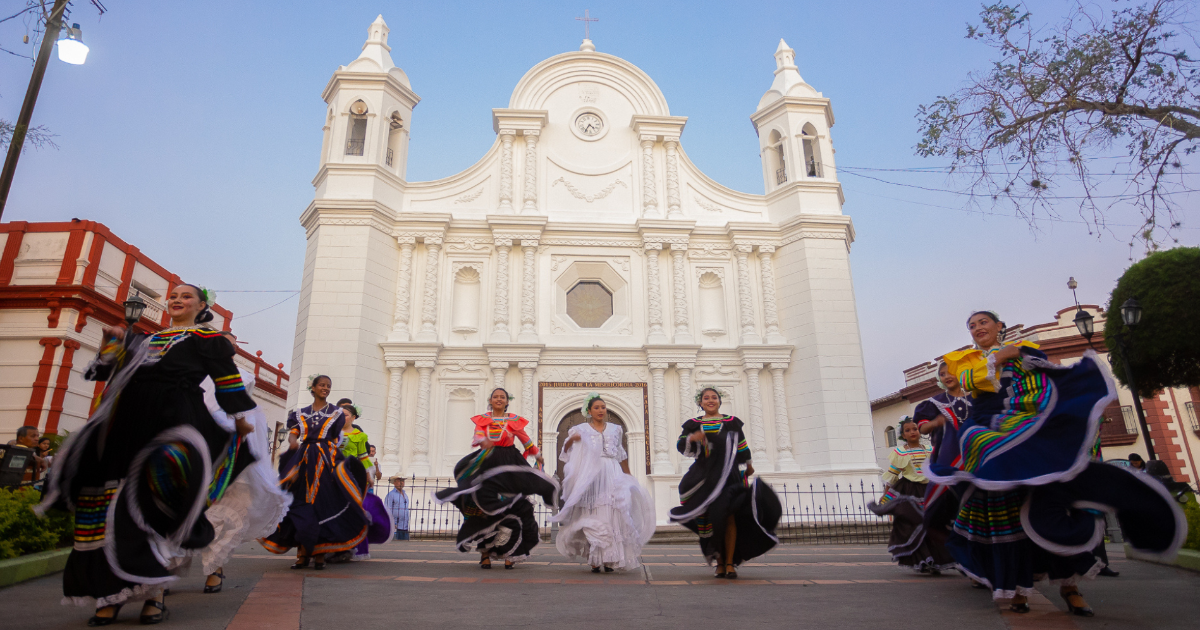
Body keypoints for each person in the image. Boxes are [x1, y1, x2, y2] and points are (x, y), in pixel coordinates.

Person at [927, 311, 1186, 616]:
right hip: (989, 420)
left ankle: (1070, 587)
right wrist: (1002, 357)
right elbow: (974, 380)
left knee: (1052, 498)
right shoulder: (961, 359)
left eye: (983, 322)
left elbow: (1042, 367)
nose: (977, 328)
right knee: (1003, 499)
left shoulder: (1025, 347)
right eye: (971, 326)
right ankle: (1020, 588)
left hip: (1028, 415)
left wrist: (1018, 353)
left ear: (999, 326)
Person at [37, 283, 257, 626]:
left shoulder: (208, 340)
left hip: (173, 422)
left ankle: (154, 595)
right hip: (126, 423)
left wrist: (241, 420)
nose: (177, 300)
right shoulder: (144, 340)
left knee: (154, 505)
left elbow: (227, 381)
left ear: (201, 306)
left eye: (186, 296)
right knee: (110, 503)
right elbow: (106, 371)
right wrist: (111, 341)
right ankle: (109, 595)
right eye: (173, 296)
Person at [193, 331, 291, 594]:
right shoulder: (189, 369)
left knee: (220, 509)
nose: (225, 350)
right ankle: (162, 575)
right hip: (191, 443)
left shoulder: (244, 376)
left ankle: (214, 568)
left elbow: (243, 412)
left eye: (230, 346)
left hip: (227, 448)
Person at [435, 388, 560, 569]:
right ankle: (484, 554)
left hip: (509, 462)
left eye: (502, 397)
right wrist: (482, 441)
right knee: (485, 507)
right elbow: (478, 433)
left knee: (513, 505)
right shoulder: (483, 419)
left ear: (507, 401)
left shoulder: (514, 421)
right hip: (487, 461)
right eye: (496, 397)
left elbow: (526, 441)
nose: (499, 399)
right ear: (490, 400)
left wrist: (537, 455)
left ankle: (511, 552)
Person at [670, 388, 782, 579]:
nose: (710, 400)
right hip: (706, 478)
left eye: (714, 397)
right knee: (715, 518)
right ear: (701, 403)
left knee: (729, 517)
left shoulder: (732, 422)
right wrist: (693, 438)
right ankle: (719, 562)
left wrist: (749, 465)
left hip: (730, 475)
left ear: (720, 401)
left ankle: (729, 563)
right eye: (706, 398)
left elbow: (742, 446)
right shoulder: (693, 424)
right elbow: (683, 447)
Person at [261, 375, 372, 570]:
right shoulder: (300, 413)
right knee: (301, 503)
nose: (326, 388)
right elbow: (294, 431)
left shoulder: (336, 413)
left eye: (328, 386)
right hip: (304, 458)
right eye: (322, 385)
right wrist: (293, 442)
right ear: (313, 387)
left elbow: (335, 437)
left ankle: (319, 554)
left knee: (322, 504)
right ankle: (302, 554)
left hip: (326, 458)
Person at [551, 394, 655, 572]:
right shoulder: (580, 429)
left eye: (603, 407)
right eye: (597, 407)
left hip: (612, 473)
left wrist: (629, 477)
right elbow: (566, 451)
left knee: (613, 514)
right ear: (589, 411)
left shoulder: (616, 429)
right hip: (591, 475)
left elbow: (621, 454)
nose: (601, 410)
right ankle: (595, 557)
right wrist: (571, 441)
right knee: (594, 515)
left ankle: (610, 559)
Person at [869, 417, 955, 573]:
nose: (912, 432)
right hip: (910, 492)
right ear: (903, 435)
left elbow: (938, 468)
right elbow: (892, 476)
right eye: (907, 430)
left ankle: (937, 559)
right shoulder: (900, 453)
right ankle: (923, 559)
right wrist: (885, 495)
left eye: (914, 429)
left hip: (930, 490)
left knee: (935, 524)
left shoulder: (930, 449)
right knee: (917, 523)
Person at [384, 476, 410, 540]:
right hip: (396, 526)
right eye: (399, 481)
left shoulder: (405, 494)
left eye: (402, 481)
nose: (401, 483)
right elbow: (387, 509)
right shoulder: (391, 495)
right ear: (394, 483)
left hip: (405, 526)